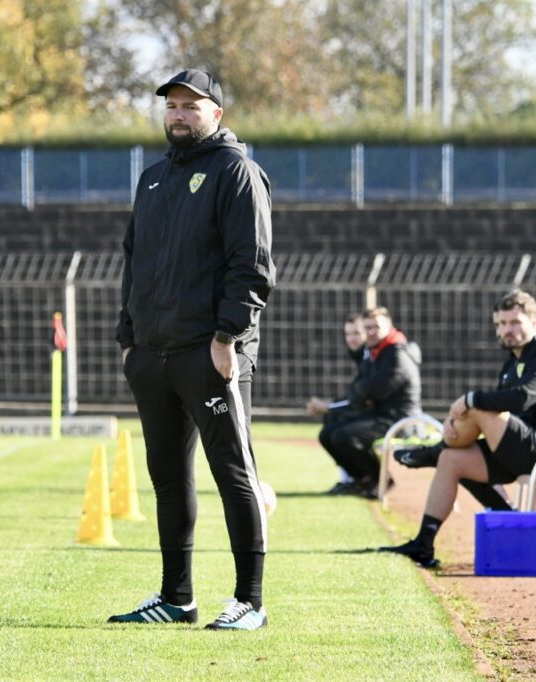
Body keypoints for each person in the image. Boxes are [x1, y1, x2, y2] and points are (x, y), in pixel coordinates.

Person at [111, 69, 275, 630]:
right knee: (167, 478)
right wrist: (128, 339)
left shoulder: (237, 172)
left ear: (216, 114)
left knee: (233, 472)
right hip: (152, 354)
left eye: (191, 106)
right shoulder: (152, 178)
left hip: (210, 351)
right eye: (172, 106)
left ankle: (249, 602)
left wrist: (228, 337)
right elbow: (134, 261)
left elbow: (250, 267)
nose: (179, 114)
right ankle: (176, 599)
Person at [384, 290, 536, 567]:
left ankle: (432, 452)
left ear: (534, 323)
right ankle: (423, 544)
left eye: (515, 322)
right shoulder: (513, 361)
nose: (508, 330)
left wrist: (469, 401)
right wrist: (456, 424)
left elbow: (521, 398)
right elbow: (497, 410)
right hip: (524, 449)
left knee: (479, 406)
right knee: (452, 459)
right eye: (502, 324)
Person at [309, 308, 421, 498]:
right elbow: (363, 390)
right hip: (380, 415)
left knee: (344, 436)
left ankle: (381, 481)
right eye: (367, 327)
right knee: (327, 434)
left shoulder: (396, 354)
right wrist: (361, 391)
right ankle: (361, 480)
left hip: (400, 421)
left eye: (376, 327)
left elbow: (375, 390)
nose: (371, 332)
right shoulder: (378, 352)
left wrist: (361, 391)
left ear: (389, 326)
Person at [305, 313, 367, 494]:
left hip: (382, 416)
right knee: (332, 418)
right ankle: (350, 478)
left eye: (356, 333)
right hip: (367, 411)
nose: (352, 339)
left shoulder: (370, 356)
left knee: (336, 426)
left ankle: (359, 478)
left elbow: (362, 396)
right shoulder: (361, 356)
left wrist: (329, 406)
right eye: (348, 334)